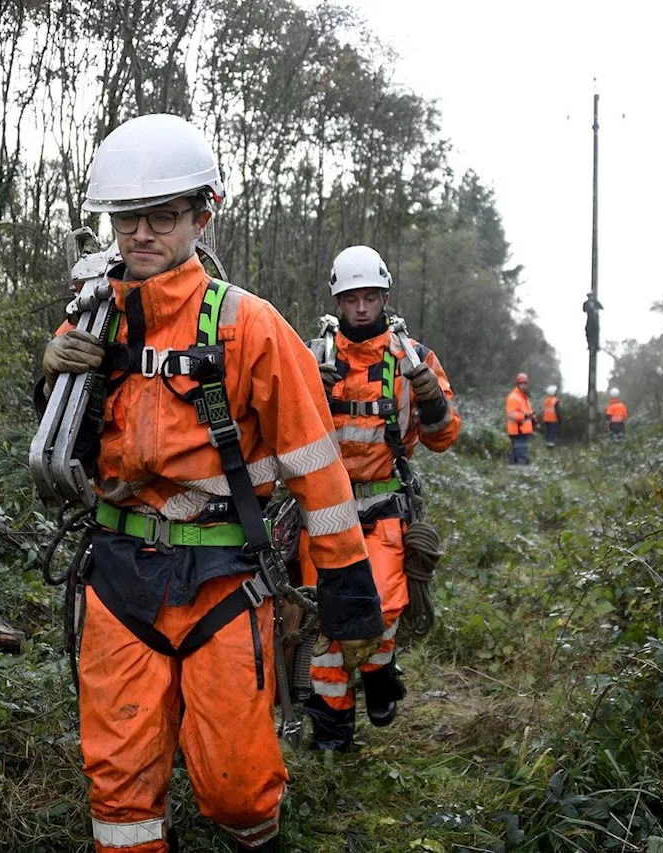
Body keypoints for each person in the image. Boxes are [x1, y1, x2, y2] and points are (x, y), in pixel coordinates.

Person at [38, 114, 384, 853]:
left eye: (163, 216)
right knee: (119, 786)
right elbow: (71, 444)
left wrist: (347, 584)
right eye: (127, 218)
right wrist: (53, 376)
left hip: (223, 576)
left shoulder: (249, 326)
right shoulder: (91, 321)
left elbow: (318, 464)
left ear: (202, 215)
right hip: (119, 574)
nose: (141, 234)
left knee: (236, 783)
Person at [297, 245, 462, 753]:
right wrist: (309, 395)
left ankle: (380, 674)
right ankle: (331, 733)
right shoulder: (314, 357)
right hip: (322, 509)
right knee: (326, 621)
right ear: (338, 301)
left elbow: (443, 437)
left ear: (385, 297)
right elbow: (276, 432)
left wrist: (431, 398)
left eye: (371, 297)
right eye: (352, 299)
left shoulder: (413, 359)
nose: (362, 308)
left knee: (384, 612)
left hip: (384, 507)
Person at [505, 373, 535, 464]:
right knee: (521, 455)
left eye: (526, 384)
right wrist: (524, 416)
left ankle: (513, 472)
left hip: (523, 430)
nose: (524, 386)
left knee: (517, 454)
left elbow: (528, 411)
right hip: (518, 430)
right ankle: (521, 473)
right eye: (522, 384)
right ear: (518, 384)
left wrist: (533, 419)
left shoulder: (524, 397)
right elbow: (511, 414)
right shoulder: (513, 397)